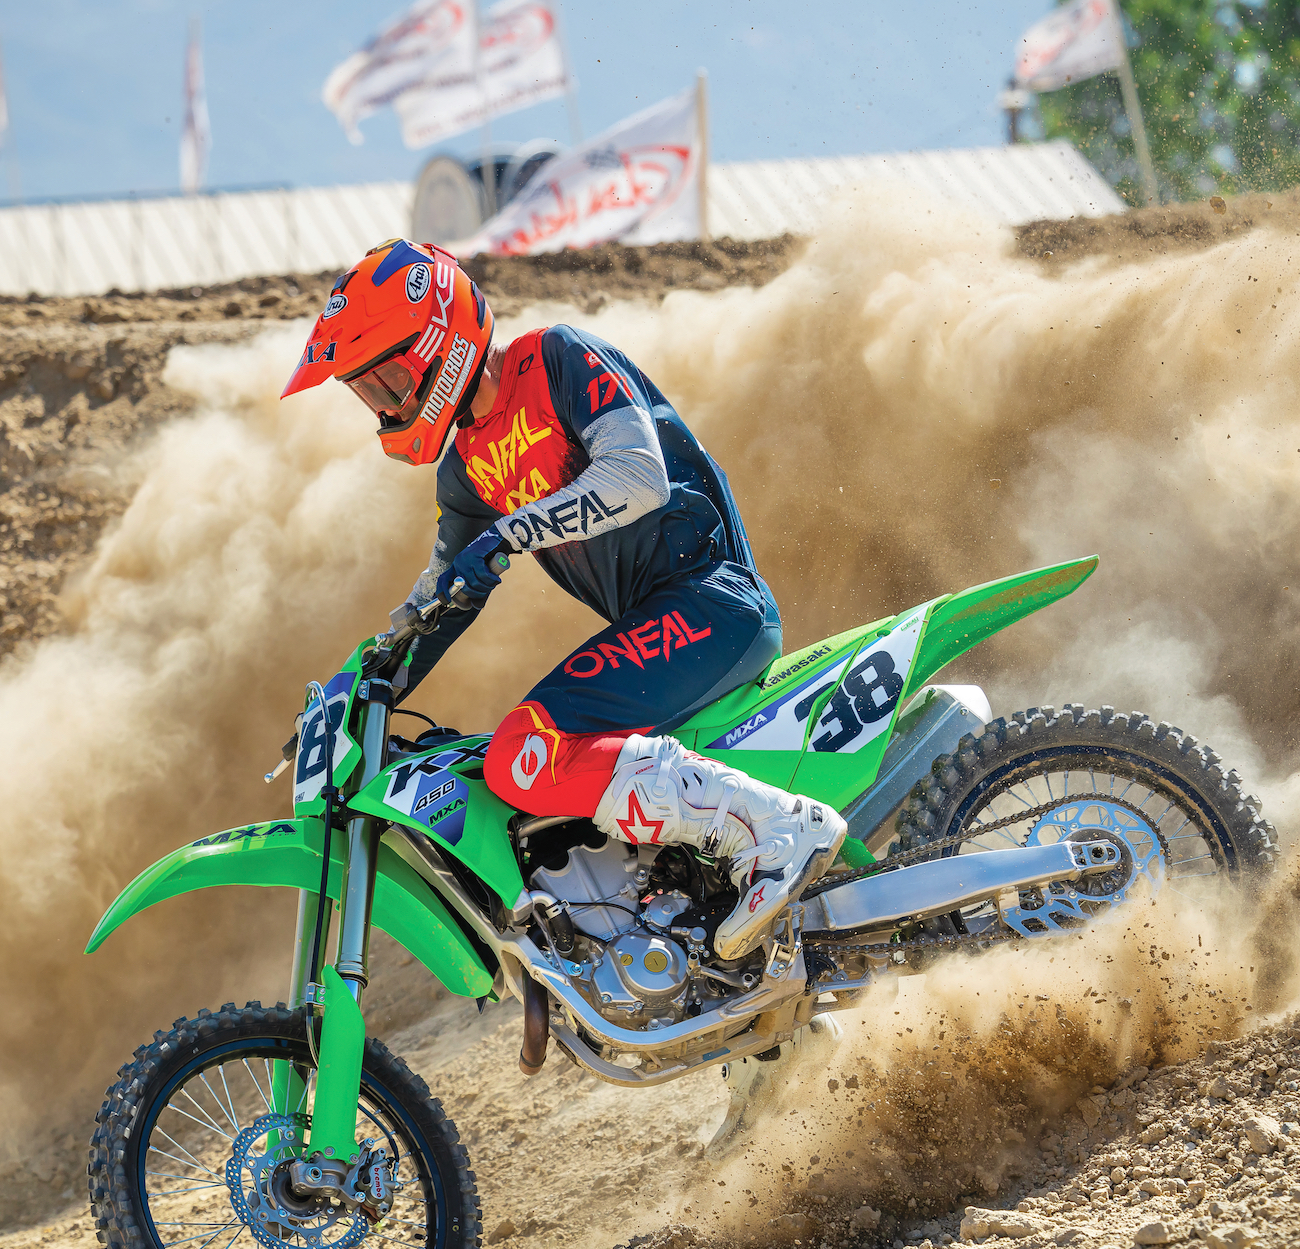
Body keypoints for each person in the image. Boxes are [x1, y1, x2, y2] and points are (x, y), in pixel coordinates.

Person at [283, 238, 846, 961]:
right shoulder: (465, 472)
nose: (383, 405)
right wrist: (359, 683)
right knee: (517, 771)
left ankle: (775, 830)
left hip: (713, 599)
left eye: (387, 380)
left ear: (437, 343)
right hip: (664, 623)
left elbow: (637, 476)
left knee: (525, 749)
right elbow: (440, 601)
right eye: (367, 392)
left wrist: (511, 531)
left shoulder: (557, 360)